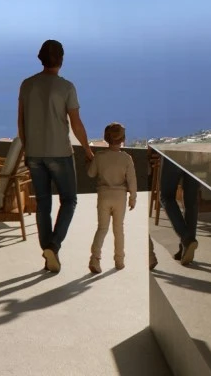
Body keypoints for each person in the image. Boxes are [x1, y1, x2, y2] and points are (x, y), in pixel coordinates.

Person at [19, 39, 93, 273]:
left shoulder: (26, 85)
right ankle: (54, 245)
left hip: (34, 154)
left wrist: (26, 149)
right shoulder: (67, 87)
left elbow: (21, 122)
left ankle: (48, 252)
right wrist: (88, 150)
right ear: (61, 59)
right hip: (60, 153)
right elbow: (76, 124)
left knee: (43, 204)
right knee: (69, 200)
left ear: (40, 57)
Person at [87, 123, 137, 273]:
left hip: (103, 196)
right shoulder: (127, 158)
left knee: (102, 228)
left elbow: (90, 174)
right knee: (118, 230)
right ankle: (119, 261)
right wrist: (132, 198)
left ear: (106, 138)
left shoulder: (100, 157)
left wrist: (88, 161)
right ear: (123, 139)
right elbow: (132, 181)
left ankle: (95, 259)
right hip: (120, 197)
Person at [159, 157, 199, 266]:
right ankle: (185, 248)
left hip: (174, 153)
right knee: (191, 203)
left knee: (166, 197)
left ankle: (186, 238)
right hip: (196, 154)